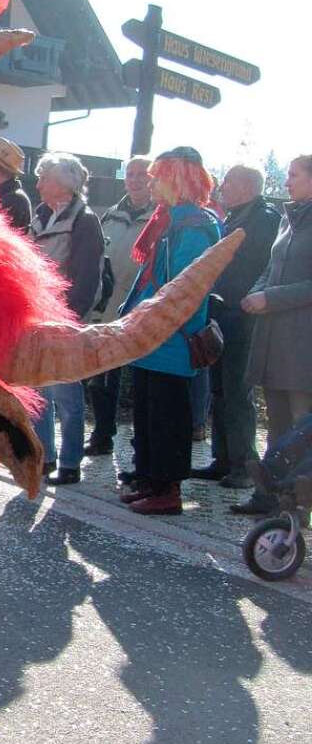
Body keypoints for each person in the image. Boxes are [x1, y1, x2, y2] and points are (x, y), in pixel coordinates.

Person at [120, 146, 221, 516]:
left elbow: (186, 287)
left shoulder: (193, 226)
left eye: (160, 175)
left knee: (167, 416)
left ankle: (167, 489)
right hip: (151, 335)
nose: (152, 182)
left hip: (171, 339)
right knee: (148, 413)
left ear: (177, 179)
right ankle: (149, 480)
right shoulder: (168, 221)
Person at [189, 165, 279, 489]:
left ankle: (243, 464)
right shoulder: (234, 216)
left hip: (242, 316)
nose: (222, 187)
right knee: (220, 390)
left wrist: (242, 298)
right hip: (222, 312)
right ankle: (223, 459)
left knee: (238, 391)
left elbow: (260, 264)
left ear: (245, 186)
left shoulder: (265, 218)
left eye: (227, 181)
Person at [236, 154, 312, 514]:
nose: (287, 181)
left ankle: (298, 508)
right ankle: (269, 496)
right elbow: (271, 267)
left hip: (303, 346)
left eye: (294, 175)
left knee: (302, 428)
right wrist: (256, 290)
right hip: (274, 340)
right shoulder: (290, 219)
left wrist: (271, 297)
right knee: (278, 425)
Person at [29, 153, 104, 485]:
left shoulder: (85, 220)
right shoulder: (40, 215)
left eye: (44, 177)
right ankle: (43, 456)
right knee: (38, 392)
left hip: (64, 319)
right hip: (37, 316)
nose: (39, 183)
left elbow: (88, 277)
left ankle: (70, 463)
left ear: (63, 184)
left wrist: (68, 318)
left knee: (67, 395)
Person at [85, 157, 154, 455]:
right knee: (101, 377)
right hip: (107, 308)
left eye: (143, 174)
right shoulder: (111, 215)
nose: (136, 180)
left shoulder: (160, 216)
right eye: (131, 174)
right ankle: (102, 434)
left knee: (141, 384)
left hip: (140, 309)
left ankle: (141, 446)